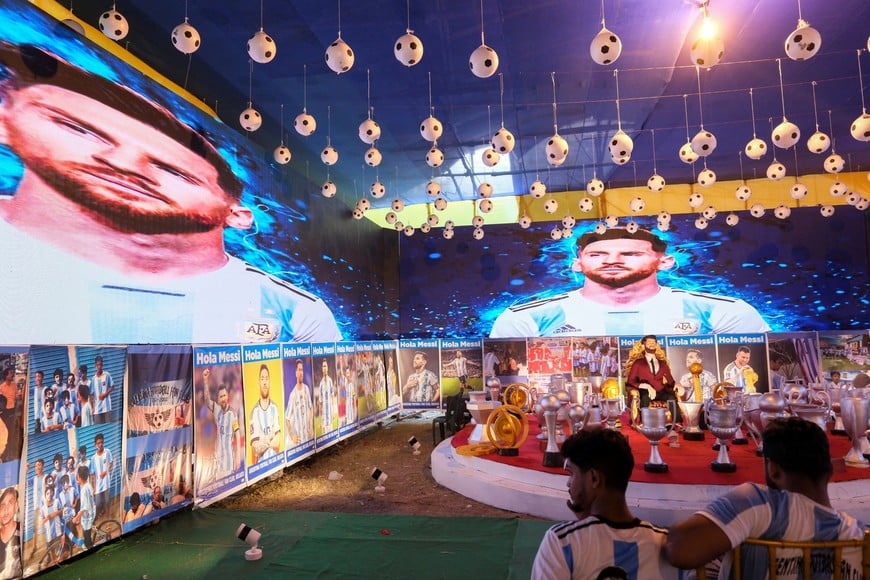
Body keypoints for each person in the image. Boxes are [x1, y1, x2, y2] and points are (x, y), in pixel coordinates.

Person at [0, 41, 342, 345]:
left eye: (172, 170)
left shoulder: (292, 311)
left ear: (237, 215)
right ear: (5, 120)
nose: (124, 165)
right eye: (81, 131)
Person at [665, 417, 866, 579]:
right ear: (830, 470)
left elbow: (679, 548)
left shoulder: (759, 504)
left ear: (773, 468)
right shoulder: (857, 536)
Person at [490, 227, 770, 338]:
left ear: (666, 261)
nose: (612, 260)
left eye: (631, 253)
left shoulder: (727, 312)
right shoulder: (525, 319)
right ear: (578, 264)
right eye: (597, 254)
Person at [531, 428, 680, 579]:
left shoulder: (562, 542)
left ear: (594, 478)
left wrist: (585, 526)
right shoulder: (667, 545)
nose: (568, 483)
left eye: (572, 473)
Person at [624, 335, 679, 426]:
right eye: (649, 343)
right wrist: (646, 386)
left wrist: (676, 385)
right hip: (645, 391)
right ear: (643, 345)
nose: (652, 345)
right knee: (645, 397)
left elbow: (670, 381)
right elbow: (631, 381)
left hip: (660, 391)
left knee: (671, 397)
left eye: (653, 343)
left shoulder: (662, 363)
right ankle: (644, 422)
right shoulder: (638, 363)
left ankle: (676, 422)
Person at [202, 369, 241, 476]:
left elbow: (237, 435)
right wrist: (205, 381)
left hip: (229, 461)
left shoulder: (232, 414)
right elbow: (207, 400)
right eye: (221, 397)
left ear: (227, 396)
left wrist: (237, 456)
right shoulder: (216, 410)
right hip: (218, 460)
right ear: (218, 400)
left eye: (224, 395)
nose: (223, 398)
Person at [249, 364, 280, 463]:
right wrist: (270, 438)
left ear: (270, 382)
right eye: (262, 379)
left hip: (275, 465)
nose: (265, 382)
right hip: (261, 468)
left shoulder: (274, 408)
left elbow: (277, 442)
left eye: (267, 378)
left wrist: (263, 442)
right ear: (259, 383)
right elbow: (256, 448)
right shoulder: (254, 412)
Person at [285, 360, 314, 448]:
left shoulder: (306, 389)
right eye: (299, 370)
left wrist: (311, 426)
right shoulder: (293, 395)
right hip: (299, 442)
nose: (301, 372)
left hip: (307, 438)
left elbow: (311, 408)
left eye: (302, 370)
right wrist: (292, 436)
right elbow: (287, 419)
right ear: (296, 373)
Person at [92, 433, 114, 520]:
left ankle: (108, 518)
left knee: (107, 501)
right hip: (98, 485)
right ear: (95, 445)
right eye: (98, 443)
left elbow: (111, 463)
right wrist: (94, 487)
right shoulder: (93, 458)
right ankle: (102, 511)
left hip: (106, 483)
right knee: (98, 503)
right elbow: (93, 474)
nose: (100, 444)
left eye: (101, 442)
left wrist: (105, 471)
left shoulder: (107, 452)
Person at [71, 465, 94, 550]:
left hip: (88, 517)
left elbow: (84, 507)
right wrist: (80, 482)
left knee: (87, 539)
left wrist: (76, 517)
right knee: (87, 535)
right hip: (91, 512)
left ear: (80, 477)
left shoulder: (84, 490)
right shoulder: (88, 485)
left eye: (77, 477)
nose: (77, 478)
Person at [0, 487, 21, 579]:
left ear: (16, 506)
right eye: (2, 505)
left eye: (10, 503)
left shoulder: (22, 531)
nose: (5, 510)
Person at [91, 356, 114, 424]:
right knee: (97, 426)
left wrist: (105, 394)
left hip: (106, 407)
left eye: (100, 364)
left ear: (102, 365)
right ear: (95, 366)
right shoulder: (93, 379)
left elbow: (112, 386)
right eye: (98, 365)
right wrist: (92, 408)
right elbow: (91, 395)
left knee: (108, 425)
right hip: (97, 409)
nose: (99, 367)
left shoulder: (107, 375)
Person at [317, 359, 335, 434]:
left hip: (330, 417)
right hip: (324, 420)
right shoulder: (321, 384)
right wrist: (319, 420)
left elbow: (333, 397)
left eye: (325, 366)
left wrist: (333, 411)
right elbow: (320, 403)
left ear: (327, 368)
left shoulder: (330, 381)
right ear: (322, 368)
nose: (324, 368)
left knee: (331, 437)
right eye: (323, 366)